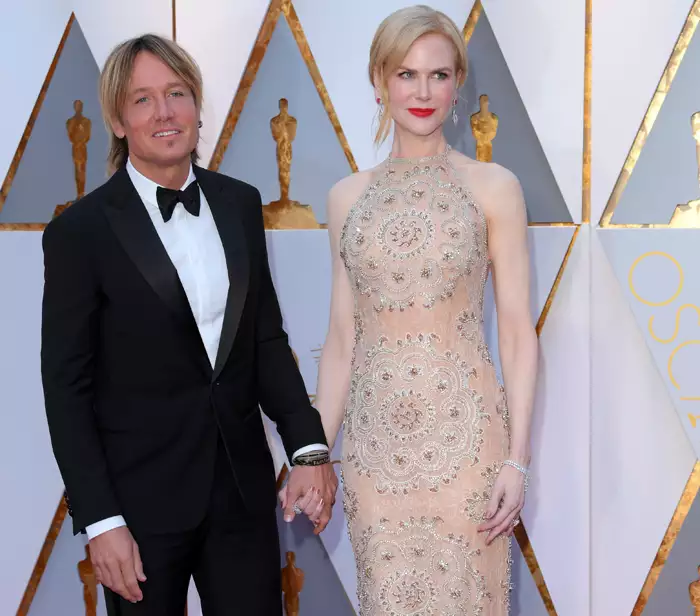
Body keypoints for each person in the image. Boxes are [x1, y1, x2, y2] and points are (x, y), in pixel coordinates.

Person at [40, 34, 337, 616]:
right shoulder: (80, 232)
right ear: (118, 121)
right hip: (137, 509)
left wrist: (307, 447)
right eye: (143, 99)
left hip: (242, 495)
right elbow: (66, 389)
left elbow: (265, 339)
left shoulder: (240, 204)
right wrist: (101, 520)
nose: (164, 112)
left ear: (198, 107)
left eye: (177, 93)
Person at [313, 6, 538, 614]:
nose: (422, 92)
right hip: (375, 455)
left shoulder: (494, 187)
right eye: (406, 74)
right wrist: (314, 455)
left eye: (439, 75)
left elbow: (517, 332)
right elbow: (342, 338)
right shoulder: (346, 198)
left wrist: (517, 460)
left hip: (468, 448)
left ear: (457, 84)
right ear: (379, 80)